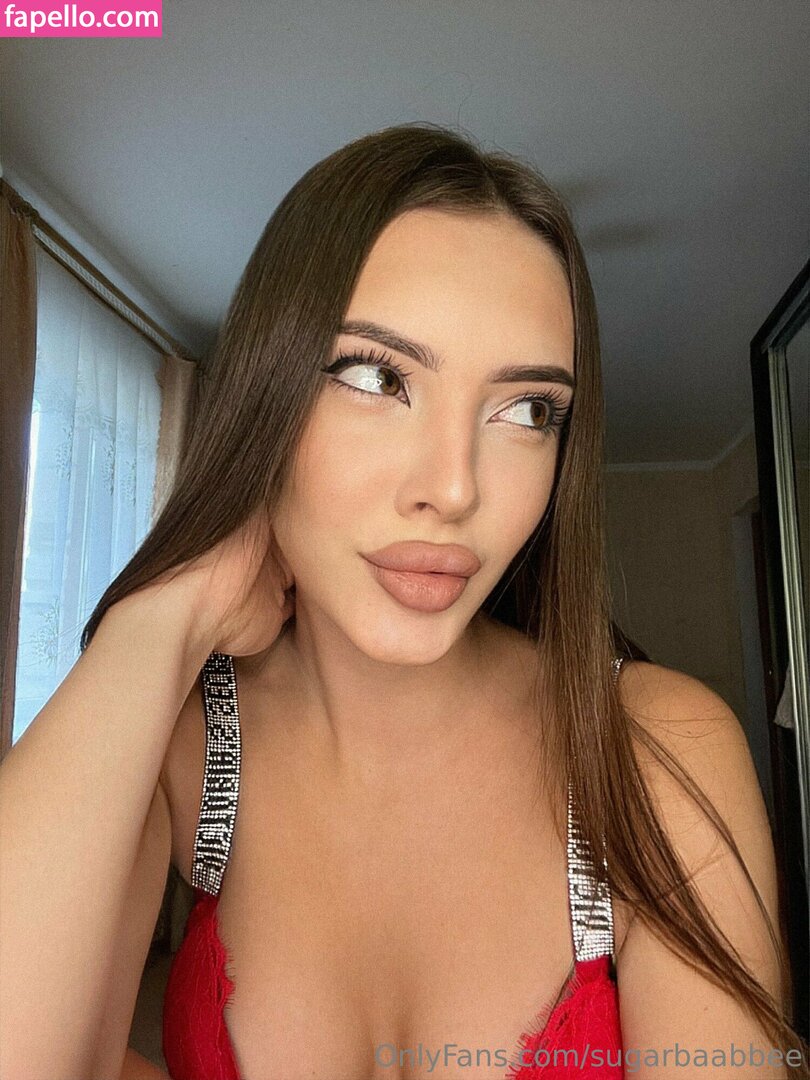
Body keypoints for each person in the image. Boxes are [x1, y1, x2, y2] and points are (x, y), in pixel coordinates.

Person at [1, 123, 806, 1080]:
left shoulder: (652, 751)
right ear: (264, 397)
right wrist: (161, 618)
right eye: (377, 377)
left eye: (527, 410)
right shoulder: (182, 747)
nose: (453, 489)